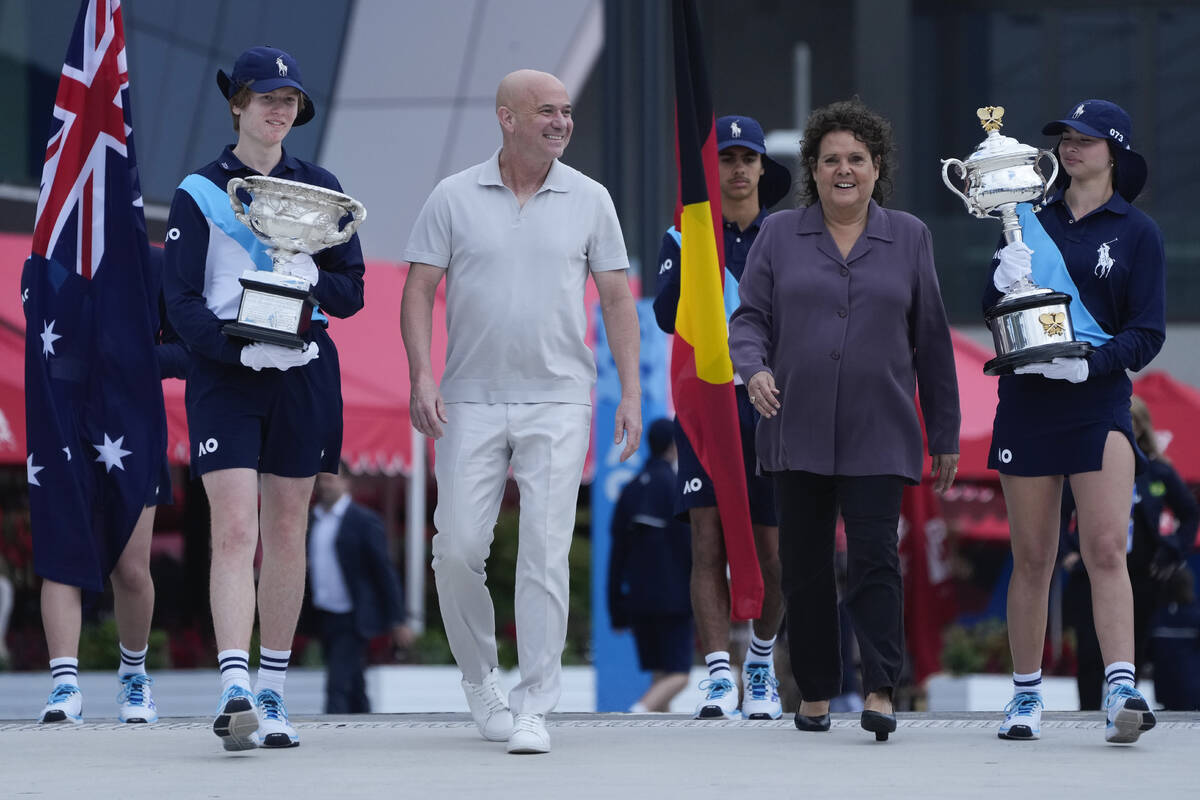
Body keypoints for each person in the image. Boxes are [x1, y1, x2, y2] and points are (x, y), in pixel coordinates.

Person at [401, 69, 641, 755]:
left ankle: (536, 703)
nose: (561, 122)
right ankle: (481, 682)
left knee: (544, 549)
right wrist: (421, 374)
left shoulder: (591, 199)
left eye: (566, 111)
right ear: (506, 118)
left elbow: (619, 300)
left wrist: (629, 391)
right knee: (456, 551)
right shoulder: (452, 197)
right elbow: (418, 291)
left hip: (560, 398)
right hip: (469, 397)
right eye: (546, 111)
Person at [728, 99, 960, 741]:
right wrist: (755, 370)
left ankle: (882, 688)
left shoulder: (911, 235)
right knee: (802, 568)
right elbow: (748, 320)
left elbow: (934, 341)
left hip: (879, 430)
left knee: (876, 563)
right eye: (831, 159)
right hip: (793, 426)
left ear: (876, 167)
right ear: (813, 168)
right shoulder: (778, 234)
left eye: (856, 158)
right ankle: (816, 692)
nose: (844, 169)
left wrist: (943, 434)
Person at [163, 46, 366, 750]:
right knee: (235, 531)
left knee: (285, 531)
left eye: (290, 102)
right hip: (227, 374)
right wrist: (233, 346)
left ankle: (275, 691)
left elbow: (354, 289)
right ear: (238, 104)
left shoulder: (323, 187)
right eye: (267, 98)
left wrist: (306, 280)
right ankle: (234, 687)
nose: (280, 111)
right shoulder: (199, 190)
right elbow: (180, 300)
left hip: (303, 372)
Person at [984, 100, 1166, 744]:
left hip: (1098, 400)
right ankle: (1026, 696)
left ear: (1113, 151)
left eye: (1085, 140)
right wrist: (1001, 284)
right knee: (1031, 556)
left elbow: (1147, 333)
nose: (1071, 148)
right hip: (1030, 400)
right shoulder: (1025, 217)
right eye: (1065, 137)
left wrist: (1090, 367)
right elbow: (995, 311)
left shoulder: (1138, 231)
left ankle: (1121, 684)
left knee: (1106, 550)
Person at [652, 114, 791, 721]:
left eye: (747, 159)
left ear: (763, 167)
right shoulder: (684, 234)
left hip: (772, 402)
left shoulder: (788, 236)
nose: (736, 169)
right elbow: (664, 315)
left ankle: (758, 666)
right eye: (726, 159)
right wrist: (696, 258)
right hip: (705, 403)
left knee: (772, 549)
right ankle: (715, 676)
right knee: (706, 540)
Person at [36, 246, 185, 726]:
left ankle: (134, 677)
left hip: (132, 431)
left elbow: (186, 351)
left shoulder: (156, 262)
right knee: (62, 560)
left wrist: (126, 358)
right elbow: (44, 342)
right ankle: (64, 685)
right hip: (64, 426)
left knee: (131, 569)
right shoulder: (49, 254)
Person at [1060, 395, 1198, 708]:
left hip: (1142, 575)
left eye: (1133, 422)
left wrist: (1172, 550)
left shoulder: (1158, 472)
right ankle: (1088, 713)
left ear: (1141, 428)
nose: (1126, 428)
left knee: (1132, 648)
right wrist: (1066, 551)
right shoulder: (1085, 466)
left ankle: (1122, 707)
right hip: (1089, 575)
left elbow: (1189, 512)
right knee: (1089, 650)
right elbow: (1059, 511)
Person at [308, 464, 414, 713]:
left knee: (338, 683)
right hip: (324, 612)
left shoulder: (364, 521)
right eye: (321, 480)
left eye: (330, 479)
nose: (325, 485)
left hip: (353, 614)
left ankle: (334, 732)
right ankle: (364, 722)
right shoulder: (312, 520)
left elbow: (383, 571)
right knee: (353, 680)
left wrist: (397, 619)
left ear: (346, 482)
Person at [608, 418, 693, 712]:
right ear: (674, 445)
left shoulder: (630, 489)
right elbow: (691, 549)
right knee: (679, 674)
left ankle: (656, 733)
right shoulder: (678, 488)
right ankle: (640, 710)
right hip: (676, 599)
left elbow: (616, 555)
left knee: (660, 671)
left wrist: (616, 609)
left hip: (638, 599)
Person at [1148, 565, 1200, 710]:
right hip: (1193, 686)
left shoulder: (1158, 616)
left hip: (1165, 687)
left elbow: (1149, 651)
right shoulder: (1195, 615)